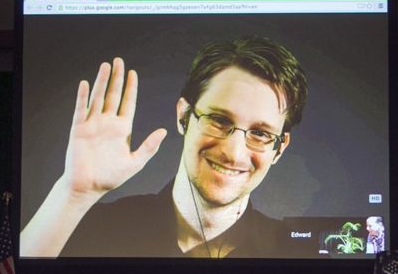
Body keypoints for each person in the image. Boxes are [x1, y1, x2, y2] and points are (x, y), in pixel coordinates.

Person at [20, 35, 308, 259]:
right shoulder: (97, 225)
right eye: (219, 120)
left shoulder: (293, 247)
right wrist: (73, 194)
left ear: (280, 148)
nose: (233, 152)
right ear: (184, 116)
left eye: (260, 133)